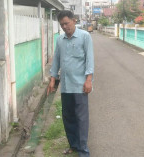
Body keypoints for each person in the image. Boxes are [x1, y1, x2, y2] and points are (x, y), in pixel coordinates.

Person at [47, 10, 94, 157]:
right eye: (62, 25)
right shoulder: (60, 40)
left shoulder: (85, 36)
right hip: (66, 86)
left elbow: (89, 60)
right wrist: (53, 79)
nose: (64, 27)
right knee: (68, 117)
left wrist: (88, 80)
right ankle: (73, 145)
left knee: (81, 119)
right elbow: (56, 60)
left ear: (74, 21)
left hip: (80, 85)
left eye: (66, 23)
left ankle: (83, 150)